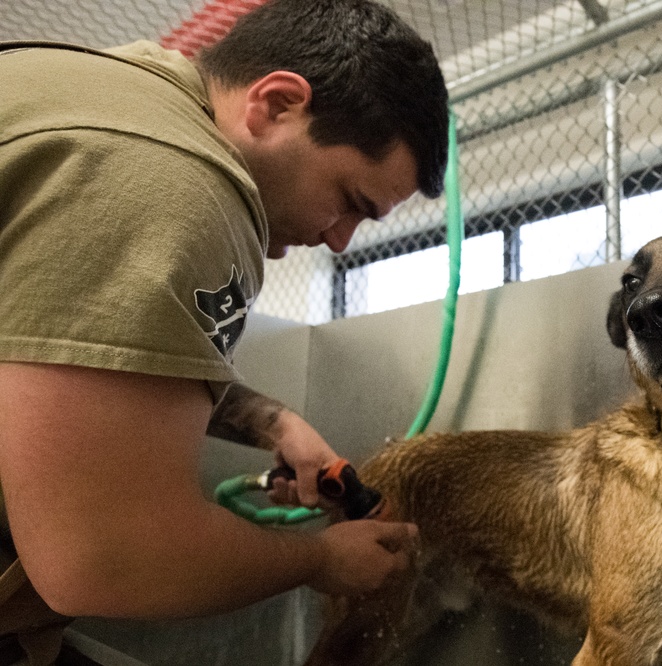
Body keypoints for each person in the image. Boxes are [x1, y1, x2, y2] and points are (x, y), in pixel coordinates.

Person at [0, 0, 449, 659]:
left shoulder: (97, 94)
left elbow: (58, 343)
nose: (339, 239)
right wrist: (320, 560)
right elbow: (102, 559)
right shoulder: (183, 180)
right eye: (350, 200)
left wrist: (274, 425)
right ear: (275, 105)